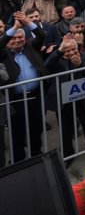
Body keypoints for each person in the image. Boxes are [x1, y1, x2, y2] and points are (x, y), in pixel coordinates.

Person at [44, 35, 85, 164]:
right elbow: (47, 66)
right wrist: (58, 51)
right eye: (67, 50)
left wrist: (80, 64)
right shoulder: (57, 59)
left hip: (84, 97)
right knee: (65, 128)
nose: (70, 53)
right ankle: (68, 154)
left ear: (77, 48)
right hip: (64, 100)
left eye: (73, 49)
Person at [0, 28, 47, 163]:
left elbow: (41, 35)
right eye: (13, 38)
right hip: (15, 99)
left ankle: (36, 153)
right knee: (17, 131)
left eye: (20, 37)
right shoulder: (3, 53)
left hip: (35, 96)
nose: (17, 40)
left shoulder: (31, 47)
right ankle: (18, 159)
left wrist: (27, 22)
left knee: (36, 126)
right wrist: (13, 28)